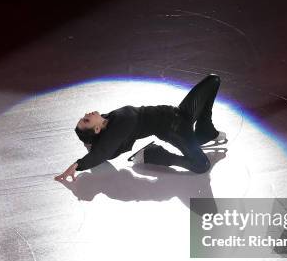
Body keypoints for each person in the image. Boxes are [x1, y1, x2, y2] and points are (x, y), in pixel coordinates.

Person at [54, 74, 227, 182]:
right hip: (174, 130)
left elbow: (103, 146)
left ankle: (205, 130)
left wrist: (90, 142)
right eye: (86, 120)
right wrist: (78, 165)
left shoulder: (108, 118)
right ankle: (153, 154)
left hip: (179, 113)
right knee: (201, 166)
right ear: (97, 129)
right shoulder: (118, 128)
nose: (87, 114)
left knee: (213, 80)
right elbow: (104, 151)